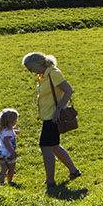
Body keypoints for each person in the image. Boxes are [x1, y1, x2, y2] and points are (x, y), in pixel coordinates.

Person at [23, 51, 82, 188]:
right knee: (54, 146)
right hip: (48, 116)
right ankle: (74, 171)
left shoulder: (53, 73)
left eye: (30, 67)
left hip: (53, 116)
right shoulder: (43, 75)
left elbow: (68, 90)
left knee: (46, 147)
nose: (29, 71)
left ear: (37, 64)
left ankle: (50, 181)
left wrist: (59, 109)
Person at [0, 108, 19, 186]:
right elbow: (6, 142)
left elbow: (6, 134)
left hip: (2, 153)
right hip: (9, 153)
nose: (16, 122)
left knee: (3, 169)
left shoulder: (2, 129)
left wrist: (14, 132)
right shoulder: (8, 132)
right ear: (10, 122)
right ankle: (9, 181)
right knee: (11, 168)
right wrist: (12, 151)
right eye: (15, 120)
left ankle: (1, 182)